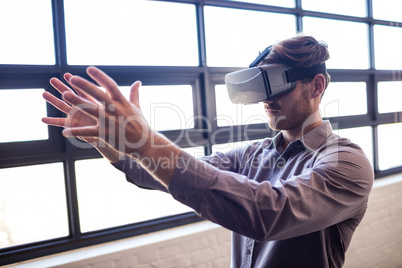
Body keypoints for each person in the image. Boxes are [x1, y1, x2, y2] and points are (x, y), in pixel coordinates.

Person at [42, 35, 374, 267]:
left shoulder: (346, 162)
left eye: (278, 87)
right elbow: (159, 171)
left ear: (316, 86)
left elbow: (270, 214)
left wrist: (146, 140)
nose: (266, 101)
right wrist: (107, 140)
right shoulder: (251, 156)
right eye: (260, 89)